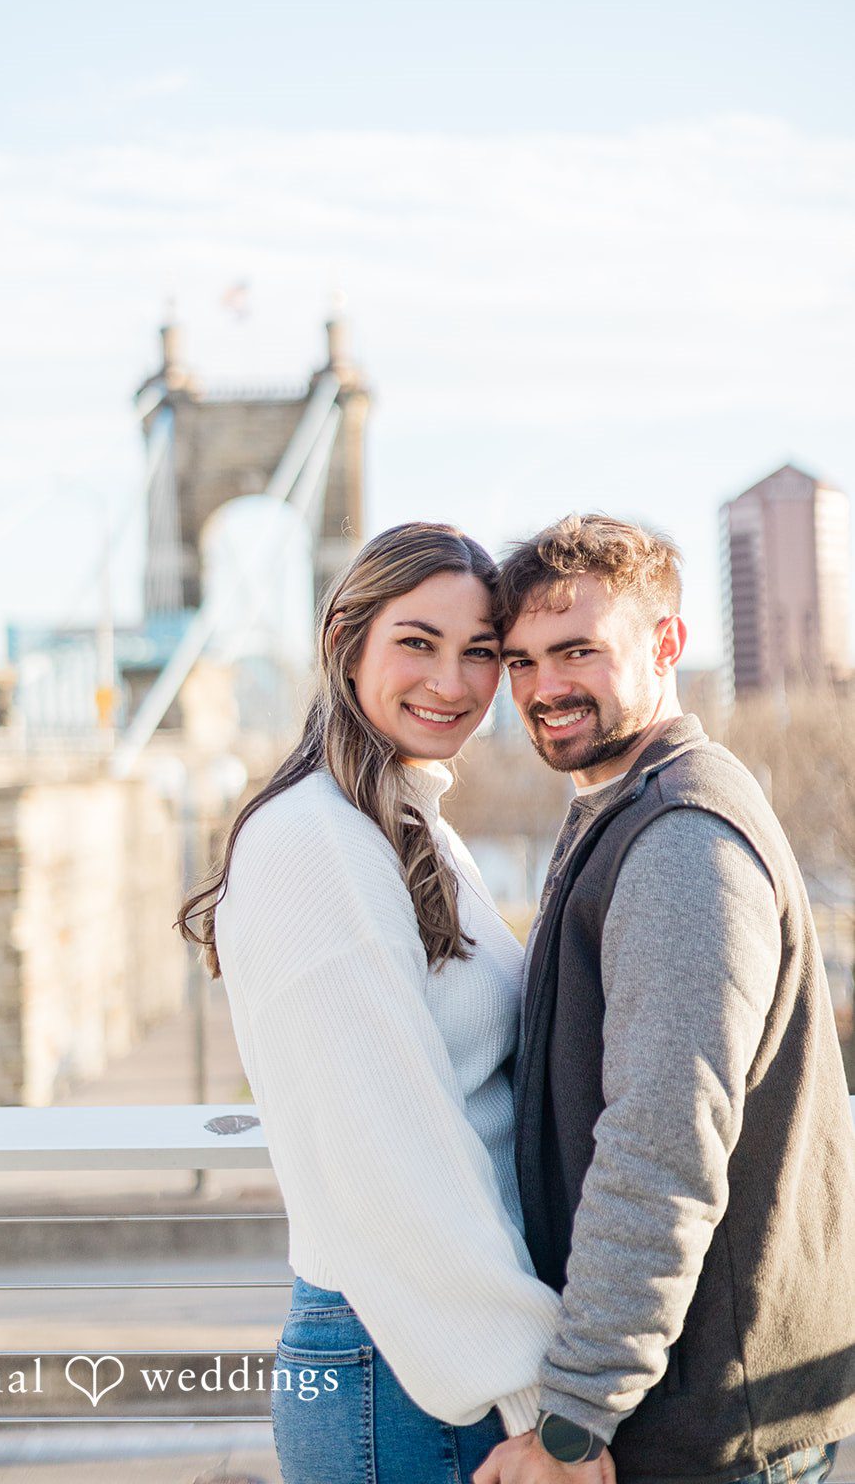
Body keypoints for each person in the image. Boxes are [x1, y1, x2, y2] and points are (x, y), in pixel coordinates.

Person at [178, 522, 564, 1484]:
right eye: (417, 642)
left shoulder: (405, 823)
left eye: (480, 652)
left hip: (429, 1351)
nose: (452, 681)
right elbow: (394, 1147)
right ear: (345, 641)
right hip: (411, 1371)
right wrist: (543, 1405)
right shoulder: (316, 840)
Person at [473, 513, 855, 1484]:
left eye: (576, 651)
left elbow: (660, 1145)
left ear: (667, 643)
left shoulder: (679, 840)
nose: (542, 687)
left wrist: (572, 1419)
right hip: (692, 1415)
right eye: (518, 661)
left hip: (707, 1436)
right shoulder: (619, 806)